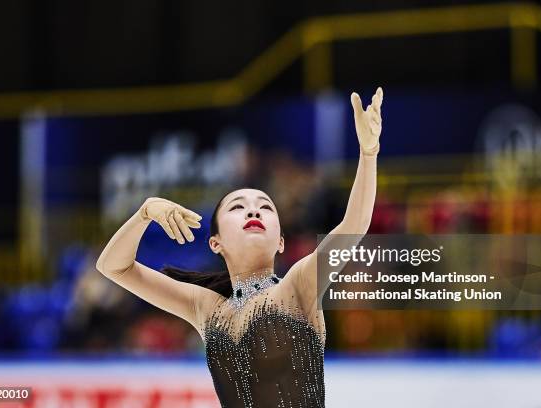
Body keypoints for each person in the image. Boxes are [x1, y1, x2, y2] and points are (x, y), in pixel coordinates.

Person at [96, 87, 384, 407]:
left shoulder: (298, 286)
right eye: (237, 207)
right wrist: (144, 212)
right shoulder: (208, 309)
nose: (253, 211)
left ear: (280, 241)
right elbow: (113, 267)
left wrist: (368, 154)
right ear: (215, 243)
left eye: (265, 206)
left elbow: (353, 227)